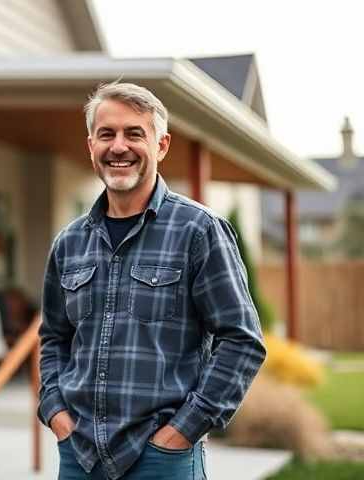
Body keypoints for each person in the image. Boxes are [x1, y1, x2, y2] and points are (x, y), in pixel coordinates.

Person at [37, 82, 266, 480]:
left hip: (163, 461)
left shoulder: (199, 231)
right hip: (80, 457)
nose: (119, 146)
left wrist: (183, 431)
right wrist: (56, 412)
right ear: (91, 145)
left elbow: (241, 340)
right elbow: (54, 338)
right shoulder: (69, 242)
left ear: (161, 146)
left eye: (134, 133)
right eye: (107, 134)